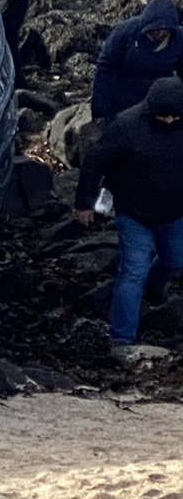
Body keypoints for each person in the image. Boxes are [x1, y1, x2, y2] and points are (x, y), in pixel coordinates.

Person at [74, 76, 183, 359]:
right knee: (132, 270)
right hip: (133, 212)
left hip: (175, 212)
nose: (170, 120)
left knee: (175, 259)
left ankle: (156, 286)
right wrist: (84, 203)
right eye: (164, 115)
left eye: (175, 115)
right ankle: (122, 338)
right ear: (150, 109)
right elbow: (96, 161)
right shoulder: (127, 125)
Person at [92, 0, 183, 122]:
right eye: (155, 29)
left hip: (158, 95)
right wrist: (99, 110)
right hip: (123, 96)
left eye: (164, 30)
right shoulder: (126, 31)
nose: (159, 33)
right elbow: (105, 66)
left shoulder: (179, 38)